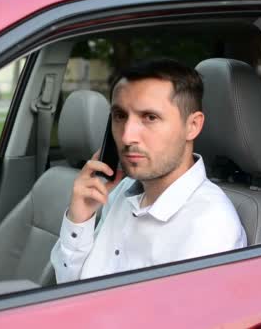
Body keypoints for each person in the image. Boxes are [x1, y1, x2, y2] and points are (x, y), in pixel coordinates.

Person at [50, 58, 247, 283]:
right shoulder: (119, 191)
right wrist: (80, 220)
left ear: (192, 126)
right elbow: (69, 290)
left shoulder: (209, 229)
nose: (126, 136)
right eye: (120, 116)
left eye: (150, 117)